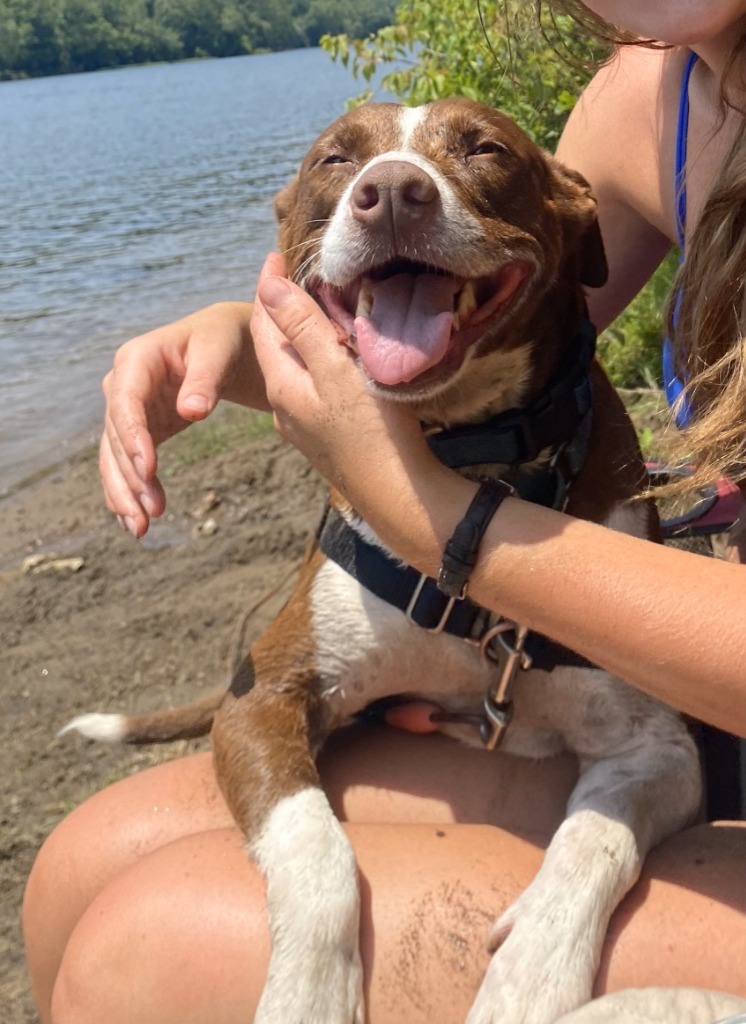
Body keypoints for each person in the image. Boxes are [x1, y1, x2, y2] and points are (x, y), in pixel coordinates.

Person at [24, 2, 746, 1023]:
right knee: (76, 865)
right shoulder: (652, 97)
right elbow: (450, 274)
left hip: (703, 714)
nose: (395, 186)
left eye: (474, 149)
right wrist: (238, 339)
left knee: (137, 945)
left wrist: (445, 525)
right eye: (345, 170)